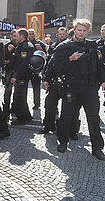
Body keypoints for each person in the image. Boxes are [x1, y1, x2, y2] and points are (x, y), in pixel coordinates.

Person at [52, 19, 105, 160]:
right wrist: (70, 59)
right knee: (66, 116)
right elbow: (56, 68)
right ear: (74, 30)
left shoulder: (93, 46)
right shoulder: (64, 47)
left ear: (87, 32)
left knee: (93, 117)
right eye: (79, 30)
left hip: (89, 87)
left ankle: (97, 148)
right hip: (71, 86)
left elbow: (100, 66)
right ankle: (63, 141)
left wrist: (103, 80)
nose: (81, 33)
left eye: (84, 30)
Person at [10, 29, 35, 125]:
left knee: (19, 97)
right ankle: (27, 115)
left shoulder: (26, 47)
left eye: (17, 35)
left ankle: (21, 119)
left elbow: (23, 64)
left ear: (22, 36)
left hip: (22, 75)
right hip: (21, 75)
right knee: (20, 96)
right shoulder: (22, 46)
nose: (15, 37)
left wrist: (16, 76)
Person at [28, 29, 47, 109]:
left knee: (36, 88)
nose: (31, 35)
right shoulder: (25, 43)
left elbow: (47, 52)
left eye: (33, 34)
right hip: (27, 69)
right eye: (30, 34)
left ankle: (37, 104)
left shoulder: (39, 43)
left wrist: (41, 49)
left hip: (36, 70)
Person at [3, 29, 17, 120]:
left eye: (17, 36)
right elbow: (3, 59)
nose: (16, 38)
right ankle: (6, 111)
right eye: (14, 36)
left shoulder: (20, 45)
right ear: (11, 36)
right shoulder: (7, 46)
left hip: (17, 71)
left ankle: (15, 109)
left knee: (18, 92)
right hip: (8, 71)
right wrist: (8, 51)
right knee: (7, 91)